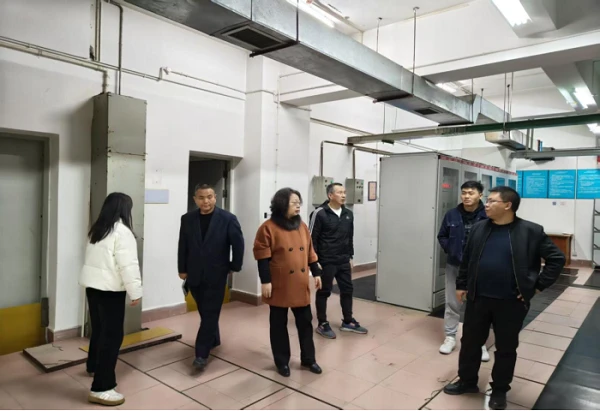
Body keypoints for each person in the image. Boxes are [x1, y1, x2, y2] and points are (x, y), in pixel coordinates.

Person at [443, 186, 565, 410]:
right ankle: (467, 382)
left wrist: (536, 287)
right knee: (470, 344)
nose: (486, 205)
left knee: (506, 348)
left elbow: (557, 259)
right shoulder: (479, 228)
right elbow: (468, 259)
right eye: (487, 200)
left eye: (492, 201)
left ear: (508, 205)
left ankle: (499, 390)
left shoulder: (530, 231)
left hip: (511, 302)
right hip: (478, 299)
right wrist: (461, 285)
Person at [80, 192, 143, 406]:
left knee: (99, 330)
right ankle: (102, 387)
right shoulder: (122, 232)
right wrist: (135, 292)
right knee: (113, 336)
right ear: (124, 210)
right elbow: (128, 265)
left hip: (93, 288)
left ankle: (93, 365)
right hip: (110, 291)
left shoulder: (97, 230)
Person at [253, 188, 324, 377]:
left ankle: (309, 359)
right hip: (279, 283)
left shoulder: (302, 226)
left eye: (299, 202)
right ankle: (282, 361)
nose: (298, 206)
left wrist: (316, 272)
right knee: (278, 324)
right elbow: (262, 257)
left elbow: (310, 251)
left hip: (300, 283)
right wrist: (265, 281)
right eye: (294, 203)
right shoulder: (268, 227)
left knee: (305, 322)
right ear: (282, 204)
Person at [178, 184, 244, 371]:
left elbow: (238, 244)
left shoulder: (228, 219)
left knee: (209, 314)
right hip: (194, 274)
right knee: (205, 310)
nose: (205, 201)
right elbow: (183, 244)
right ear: (195, 199)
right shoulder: (187, 219)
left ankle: (201, 354)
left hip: (217, 273)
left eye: (209, 197)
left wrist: (234, 266)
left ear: (215, 197)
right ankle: (214, 338)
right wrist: (182, 269)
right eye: (201, 198)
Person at [437, 181, 489, 360]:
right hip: (455, 264)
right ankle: (450, 337)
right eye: (464, 193)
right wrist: (451, 249)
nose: (466, 196)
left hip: (480, 267)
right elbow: (442, 235)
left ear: (480, 195)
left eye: (471, 193)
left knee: (479, 305)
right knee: (452, 302)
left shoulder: (488, 215)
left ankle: (479, 342)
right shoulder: (452, 214)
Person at [309, 183, 367, 339]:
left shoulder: (348, 214)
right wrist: (314, 262)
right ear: (330, 195)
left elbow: (349, 236)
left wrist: (350, 256)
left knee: (347, 290)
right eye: (340, 192)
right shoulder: (319, 213)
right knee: (324, 291)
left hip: (343, 260)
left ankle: (347, 321)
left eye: (344, 192)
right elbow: (311, 239)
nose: (343, 195)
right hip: (326, 261)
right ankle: (322, 323)